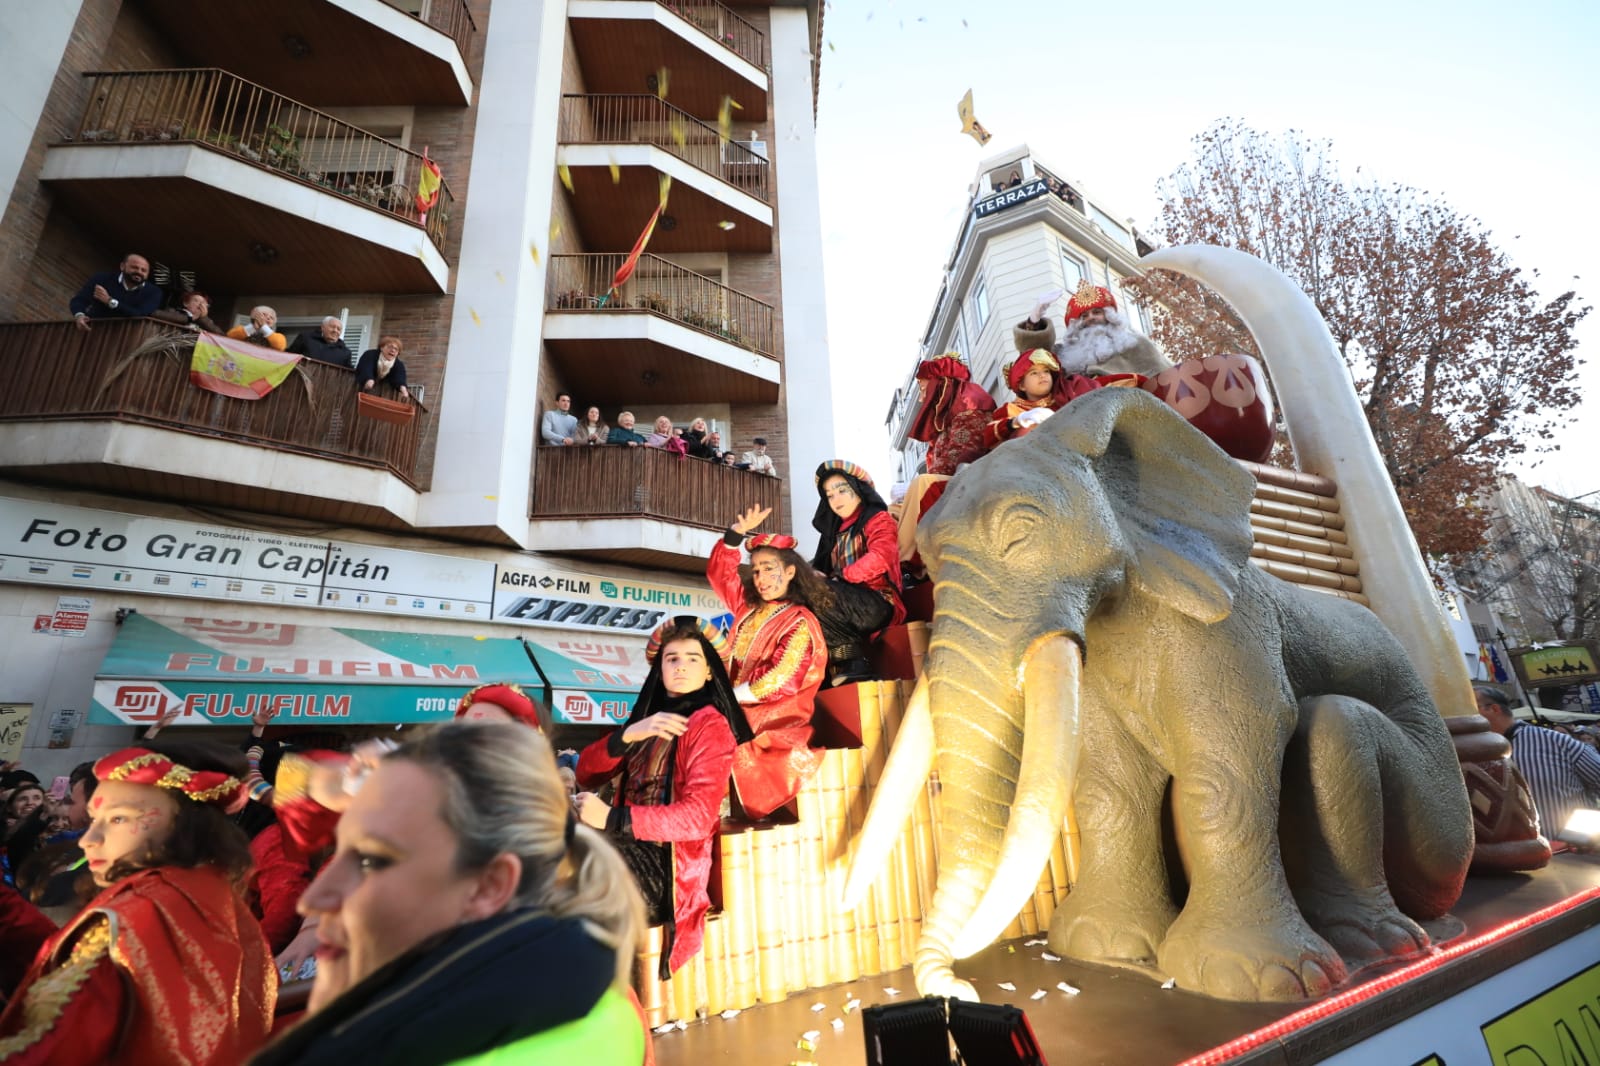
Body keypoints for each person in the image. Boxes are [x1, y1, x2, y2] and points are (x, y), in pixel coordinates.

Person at [249, 721, 647, 1066]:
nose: (313, 900)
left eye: (371, 861)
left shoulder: (433, 1040)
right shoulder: (575, 982)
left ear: (489, 884)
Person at [0, 742, 276, 1064]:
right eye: (93, 818)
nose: (89, 839)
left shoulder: (129, 919)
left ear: (177, 825)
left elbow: (53, 1050)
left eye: (117, 819)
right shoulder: (214, 893)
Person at [576, 617, 750, 978]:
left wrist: (613, 819)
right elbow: (586, 773)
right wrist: (626, 735)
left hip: (665, 869)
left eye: (692, 658)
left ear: (707, 672)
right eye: (671, 659)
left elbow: (698, 818)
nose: (681, 666)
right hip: (622, 847)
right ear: (660, 668)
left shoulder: (710, 725)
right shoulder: (647, 721)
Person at [707, 512, 830, 818]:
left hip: (772, 721)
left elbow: (779, 679)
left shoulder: (801, 621)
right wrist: (734, 534)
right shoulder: (748, 609)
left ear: (790, 572)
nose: (760, 578)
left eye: (768, 569)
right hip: (733, 711)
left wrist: (727, 698)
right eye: (756, 570)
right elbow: (720, 575)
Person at [811, 460, 905, 685]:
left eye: (842, 490)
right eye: (829, 495)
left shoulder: (879, 520)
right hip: (844, 600)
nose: (836, 499)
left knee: (818, 592)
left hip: (878, 602)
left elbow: (882, 556)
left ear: (859, 490)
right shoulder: (832, 535)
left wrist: (840, 577)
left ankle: (855, 662)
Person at [1476, 685, 1600, 839]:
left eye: (1470, 709)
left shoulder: (1555, 740)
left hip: (1572, 851)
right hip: (1515, 855)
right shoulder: (1477, 754)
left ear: (1493, 709)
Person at [1014, 279, 1172, 379]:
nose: (1090, 318)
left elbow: (1168, 378)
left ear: (1110, 316)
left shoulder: (1135, 343)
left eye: (1097, 312)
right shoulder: (1064, 355)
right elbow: (1033, 358)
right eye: (1084, 316)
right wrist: (1035, 319)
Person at [69, 253, 163, 331]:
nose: (139, 272)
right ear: (122, 266)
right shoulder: (102, 278)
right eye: (134, 267)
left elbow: (140, 314)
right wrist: (79, 315)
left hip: (123, 340)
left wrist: (110, 301)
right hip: (91, 331)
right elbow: (79, 300)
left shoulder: (153, 292)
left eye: (144, 270)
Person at [354, 336, 410, 401]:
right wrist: (368, 379)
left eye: (396, 349)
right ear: (381, 348)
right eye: (390, 347)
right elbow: (366, 367)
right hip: (359, 388)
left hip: (381, 394)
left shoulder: (398, 364)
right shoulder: (370, 354)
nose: (393, 350)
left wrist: (403, 390)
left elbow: (400, 377)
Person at [289, 316, 356, 368]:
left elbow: (349, 373)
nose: (335, 330)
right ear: (322, 327)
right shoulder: (305, 338)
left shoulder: (345, 352)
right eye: (332, 327)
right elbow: (289, 356)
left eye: (339, 329)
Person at [150, 289, 223, 333]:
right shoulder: (173, 311)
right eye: (196, 300)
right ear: (186, 303)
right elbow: (155, 314)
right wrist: (190, 318)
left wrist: (203, 318)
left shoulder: (207, 321)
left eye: (203, 303)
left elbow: (220, 334)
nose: (200, 305)